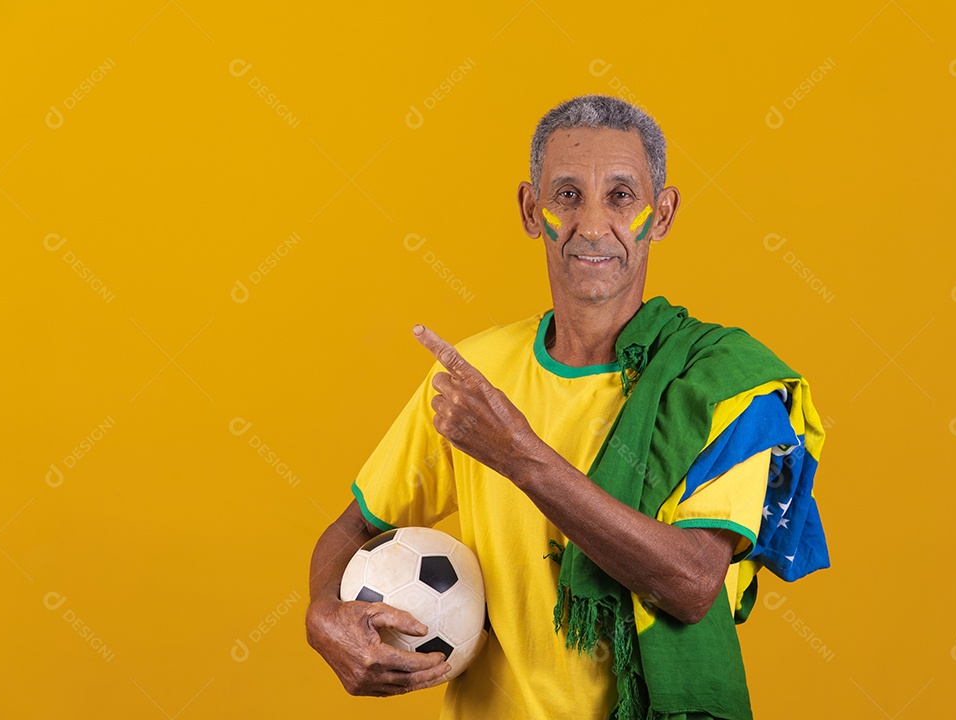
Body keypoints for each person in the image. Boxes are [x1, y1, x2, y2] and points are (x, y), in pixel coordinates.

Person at [306, 94, 828, 720]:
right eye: (567, 195)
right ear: (531, 209)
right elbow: (352, 528)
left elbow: (691, 583)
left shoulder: (716, 383)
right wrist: (321, 616)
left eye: (621, 196)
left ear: (661, 215)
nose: (591, 225)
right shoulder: (477, 376)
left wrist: (521, 457)